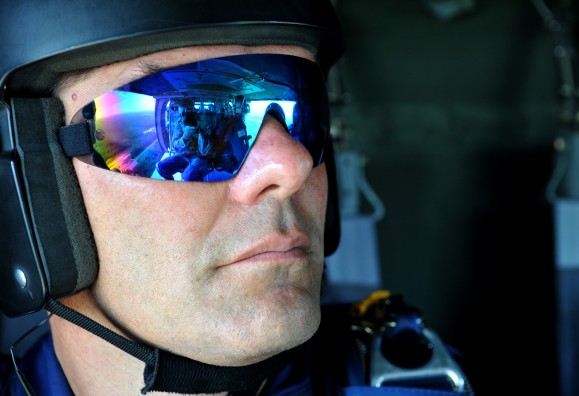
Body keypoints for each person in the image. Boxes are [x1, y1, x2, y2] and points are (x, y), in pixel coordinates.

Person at [0, 1, 474, 395]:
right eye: (186, 115)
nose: (292, 165)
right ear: (31, 195)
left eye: (302, 116)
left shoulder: (416, 377)